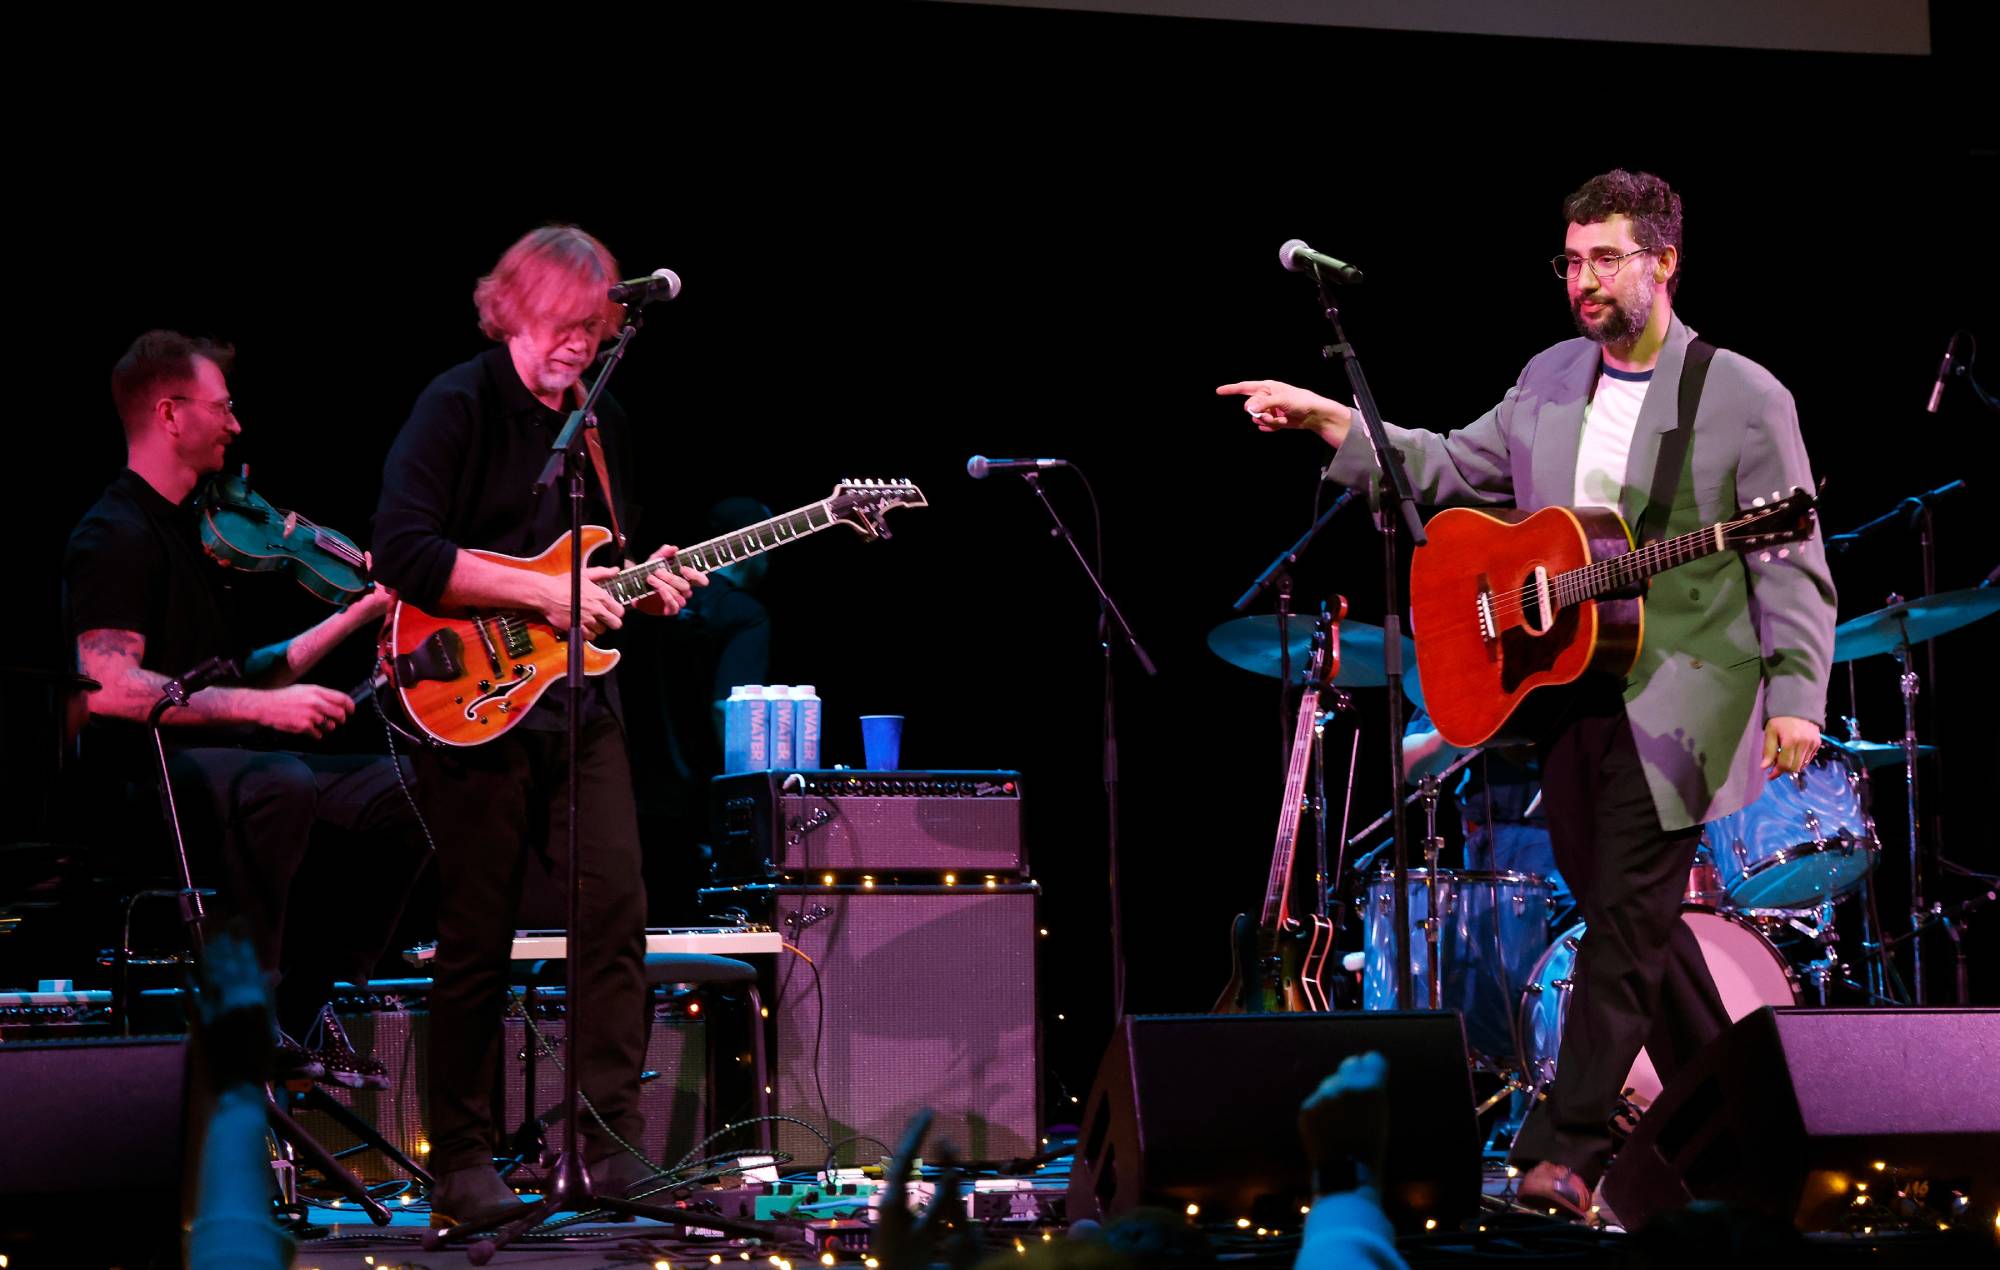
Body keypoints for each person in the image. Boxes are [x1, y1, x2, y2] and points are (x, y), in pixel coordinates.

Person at [1220, 169, 1836, 1218]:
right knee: (1627, 922)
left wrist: (1796, 692)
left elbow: (1792, 557)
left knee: (1625, 921)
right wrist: (1334, 421)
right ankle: (1755, 1131)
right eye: (1570, 260)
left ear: (1662, 261)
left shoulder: (1738, 394)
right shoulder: (1550, 377)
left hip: (1688, 693)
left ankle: (1563, 1155)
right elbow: (1452, 470)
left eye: (1604, 258)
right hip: (1573, 689)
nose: (1582, 281)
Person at [370, 225, 704, 1228]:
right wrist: (543, 590)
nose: (576, 348)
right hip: (468, 702)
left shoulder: (604, 426)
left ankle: (606, 1150)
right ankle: (461, 1161)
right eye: (561, 327)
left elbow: (601, 564)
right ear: (512, 307)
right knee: (477, 933)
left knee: (615, 918)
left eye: (592, 332)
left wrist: (641, 590)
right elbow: (404, 553)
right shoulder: (459, 402)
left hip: (578, 705)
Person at [64, 330, 428, 1084]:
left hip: (237, 770)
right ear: (170, 414)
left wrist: (355, 618)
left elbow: (244, 677)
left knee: (411, 794)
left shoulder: (205, 535)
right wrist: (269, 712)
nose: (236, 425)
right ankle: (247, 1015)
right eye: (222, 408)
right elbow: (108, 685)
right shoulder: (114, 534)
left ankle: (298, 1010)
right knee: (280, 782)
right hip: (153, 787)